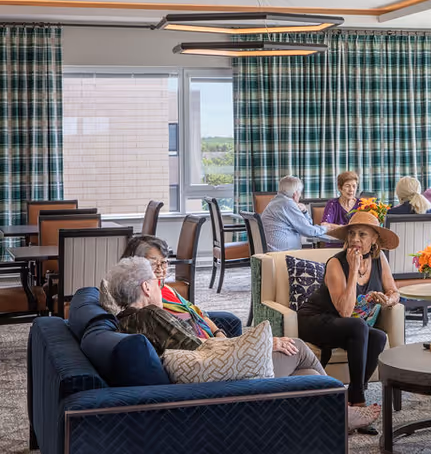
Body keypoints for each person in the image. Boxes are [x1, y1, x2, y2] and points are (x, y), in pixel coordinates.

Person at [106, 257, 380, 430]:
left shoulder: (126, 320)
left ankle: (332, 417)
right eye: (155, 281)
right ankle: (342, 412)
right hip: (218, 383)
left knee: (304, 374)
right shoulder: (152, 314)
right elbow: (201, 350)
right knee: (298, 348)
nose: (159, 285)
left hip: (204, 379)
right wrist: (261, 344)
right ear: (145, 288)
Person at [297, 211, 400, 430]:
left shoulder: (379, 259)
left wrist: (388, 299)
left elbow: (394, 290)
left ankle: (354, 397)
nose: (354, 239)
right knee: (357, 325)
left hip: (347, 326)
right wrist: (353, 270)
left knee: (379, 337)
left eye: (362, 234)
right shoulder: (336, 263)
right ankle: (358, 399)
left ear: (374, 240)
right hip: (315, 320)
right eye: (351, 233)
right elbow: (345, 311)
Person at [100, 235, 230, 338]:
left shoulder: (164, 288)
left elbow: (194, 311)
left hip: (208, 338)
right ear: (135, 265)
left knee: (231, 320)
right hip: (199, 351)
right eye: (153, 263)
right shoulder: (144, 301)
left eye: (164, 262)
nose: (161, 269)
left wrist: (218, 332)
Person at [261, 175, 330, 252]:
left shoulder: (277, 201)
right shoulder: (287, 204)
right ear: (295, 193)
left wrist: (304, 212)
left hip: (275, 252)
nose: (300, 195)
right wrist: (327, 228)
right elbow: (309, 231)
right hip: (283, 254)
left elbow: (308, 225)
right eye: (300, 192)